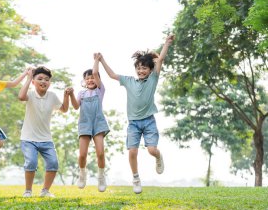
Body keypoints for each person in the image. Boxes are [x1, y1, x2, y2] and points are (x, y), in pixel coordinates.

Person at [98, 35, 174, 194]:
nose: (141, 71)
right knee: (132, 151)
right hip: (133, 123)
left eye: (144, 68)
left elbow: (159, 60)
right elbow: (112, 75)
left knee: (152, 150)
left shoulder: (153, 79)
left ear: (150, 70)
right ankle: (136, 178)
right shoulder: (129, 81)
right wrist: (101, 60)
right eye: (138, 68)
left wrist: (167, 43)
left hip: (148, 122)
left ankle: (159, 157)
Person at [18, 66, 71, 198]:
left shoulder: (52, 96)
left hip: (46, 139)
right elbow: (21, 96)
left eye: (46, 79)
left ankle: (45, 191)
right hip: (28, 138)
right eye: (39, 78)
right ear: (33, 82)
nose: (43, 81)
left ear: (50, 83)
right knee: (31, 162)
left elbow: (64, 109)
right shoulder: (30, 94)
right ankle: (28, 191)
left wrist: (66, 96)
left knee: (53, 163)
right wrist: (28, 77)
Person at [69, 53, 110, 192]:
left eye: (92, 77)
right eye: (87, 78)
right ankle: (82, 173)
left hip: (98, 123)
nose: (90, 79)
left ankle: (101, 176)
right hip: (85, 123)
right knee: (82, 154)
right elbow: (75, 106)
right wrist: (71, 95)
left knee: (100, 153)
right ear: (84, 81)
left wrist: (97, 60)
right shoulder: (82, 94)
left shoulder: (100, 90)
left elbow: (95, 72)